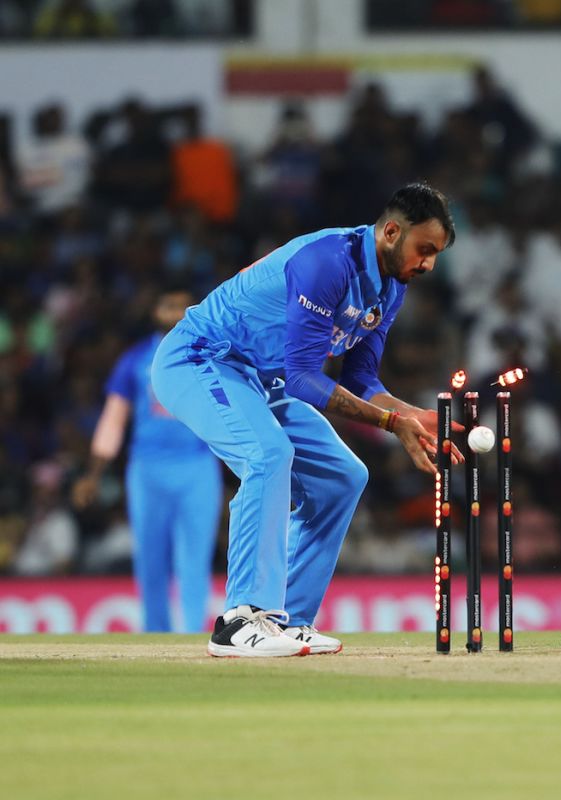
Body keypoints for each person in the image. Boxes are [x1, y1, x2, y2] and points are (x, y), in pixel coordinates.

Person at [150, 183, 456, 657]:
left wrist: (410, 414)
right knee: (268, 454)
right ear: (392, 231)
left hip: (260, 379)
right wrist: (391, 423)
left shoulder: (390, 287)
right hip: (202, 358)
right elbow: (303, 380)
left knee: (343, 476)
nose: (429, 264)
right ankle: (239, 619)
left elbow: (361, 377)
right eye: (426, 249)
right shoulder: (327, 262)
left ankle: (288, 619)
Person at [73, 287, 222, 633]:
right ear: (155, 311)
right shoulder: (136, 359)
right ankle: (155, 635)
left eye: (182, 306)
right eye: (167, 305)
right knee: (151, 559)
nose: (174, 312)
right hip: (147, 469)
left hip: (197, 467)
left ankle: (192, 637)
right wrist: (93, 474)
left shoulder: (210, 355)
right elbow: (114, 418)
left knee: (194, 559)